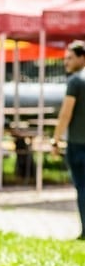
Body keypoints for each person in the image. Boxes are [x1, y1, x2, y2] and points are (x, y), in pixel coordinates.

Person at [52, 40, 85, 240]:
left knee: (82, 187)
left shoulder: (75, 81)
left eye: (70, 58)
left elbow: (66, 114)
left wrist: (56, 140)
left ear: (83, 57)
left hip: (78, 145)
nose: (66, 62)